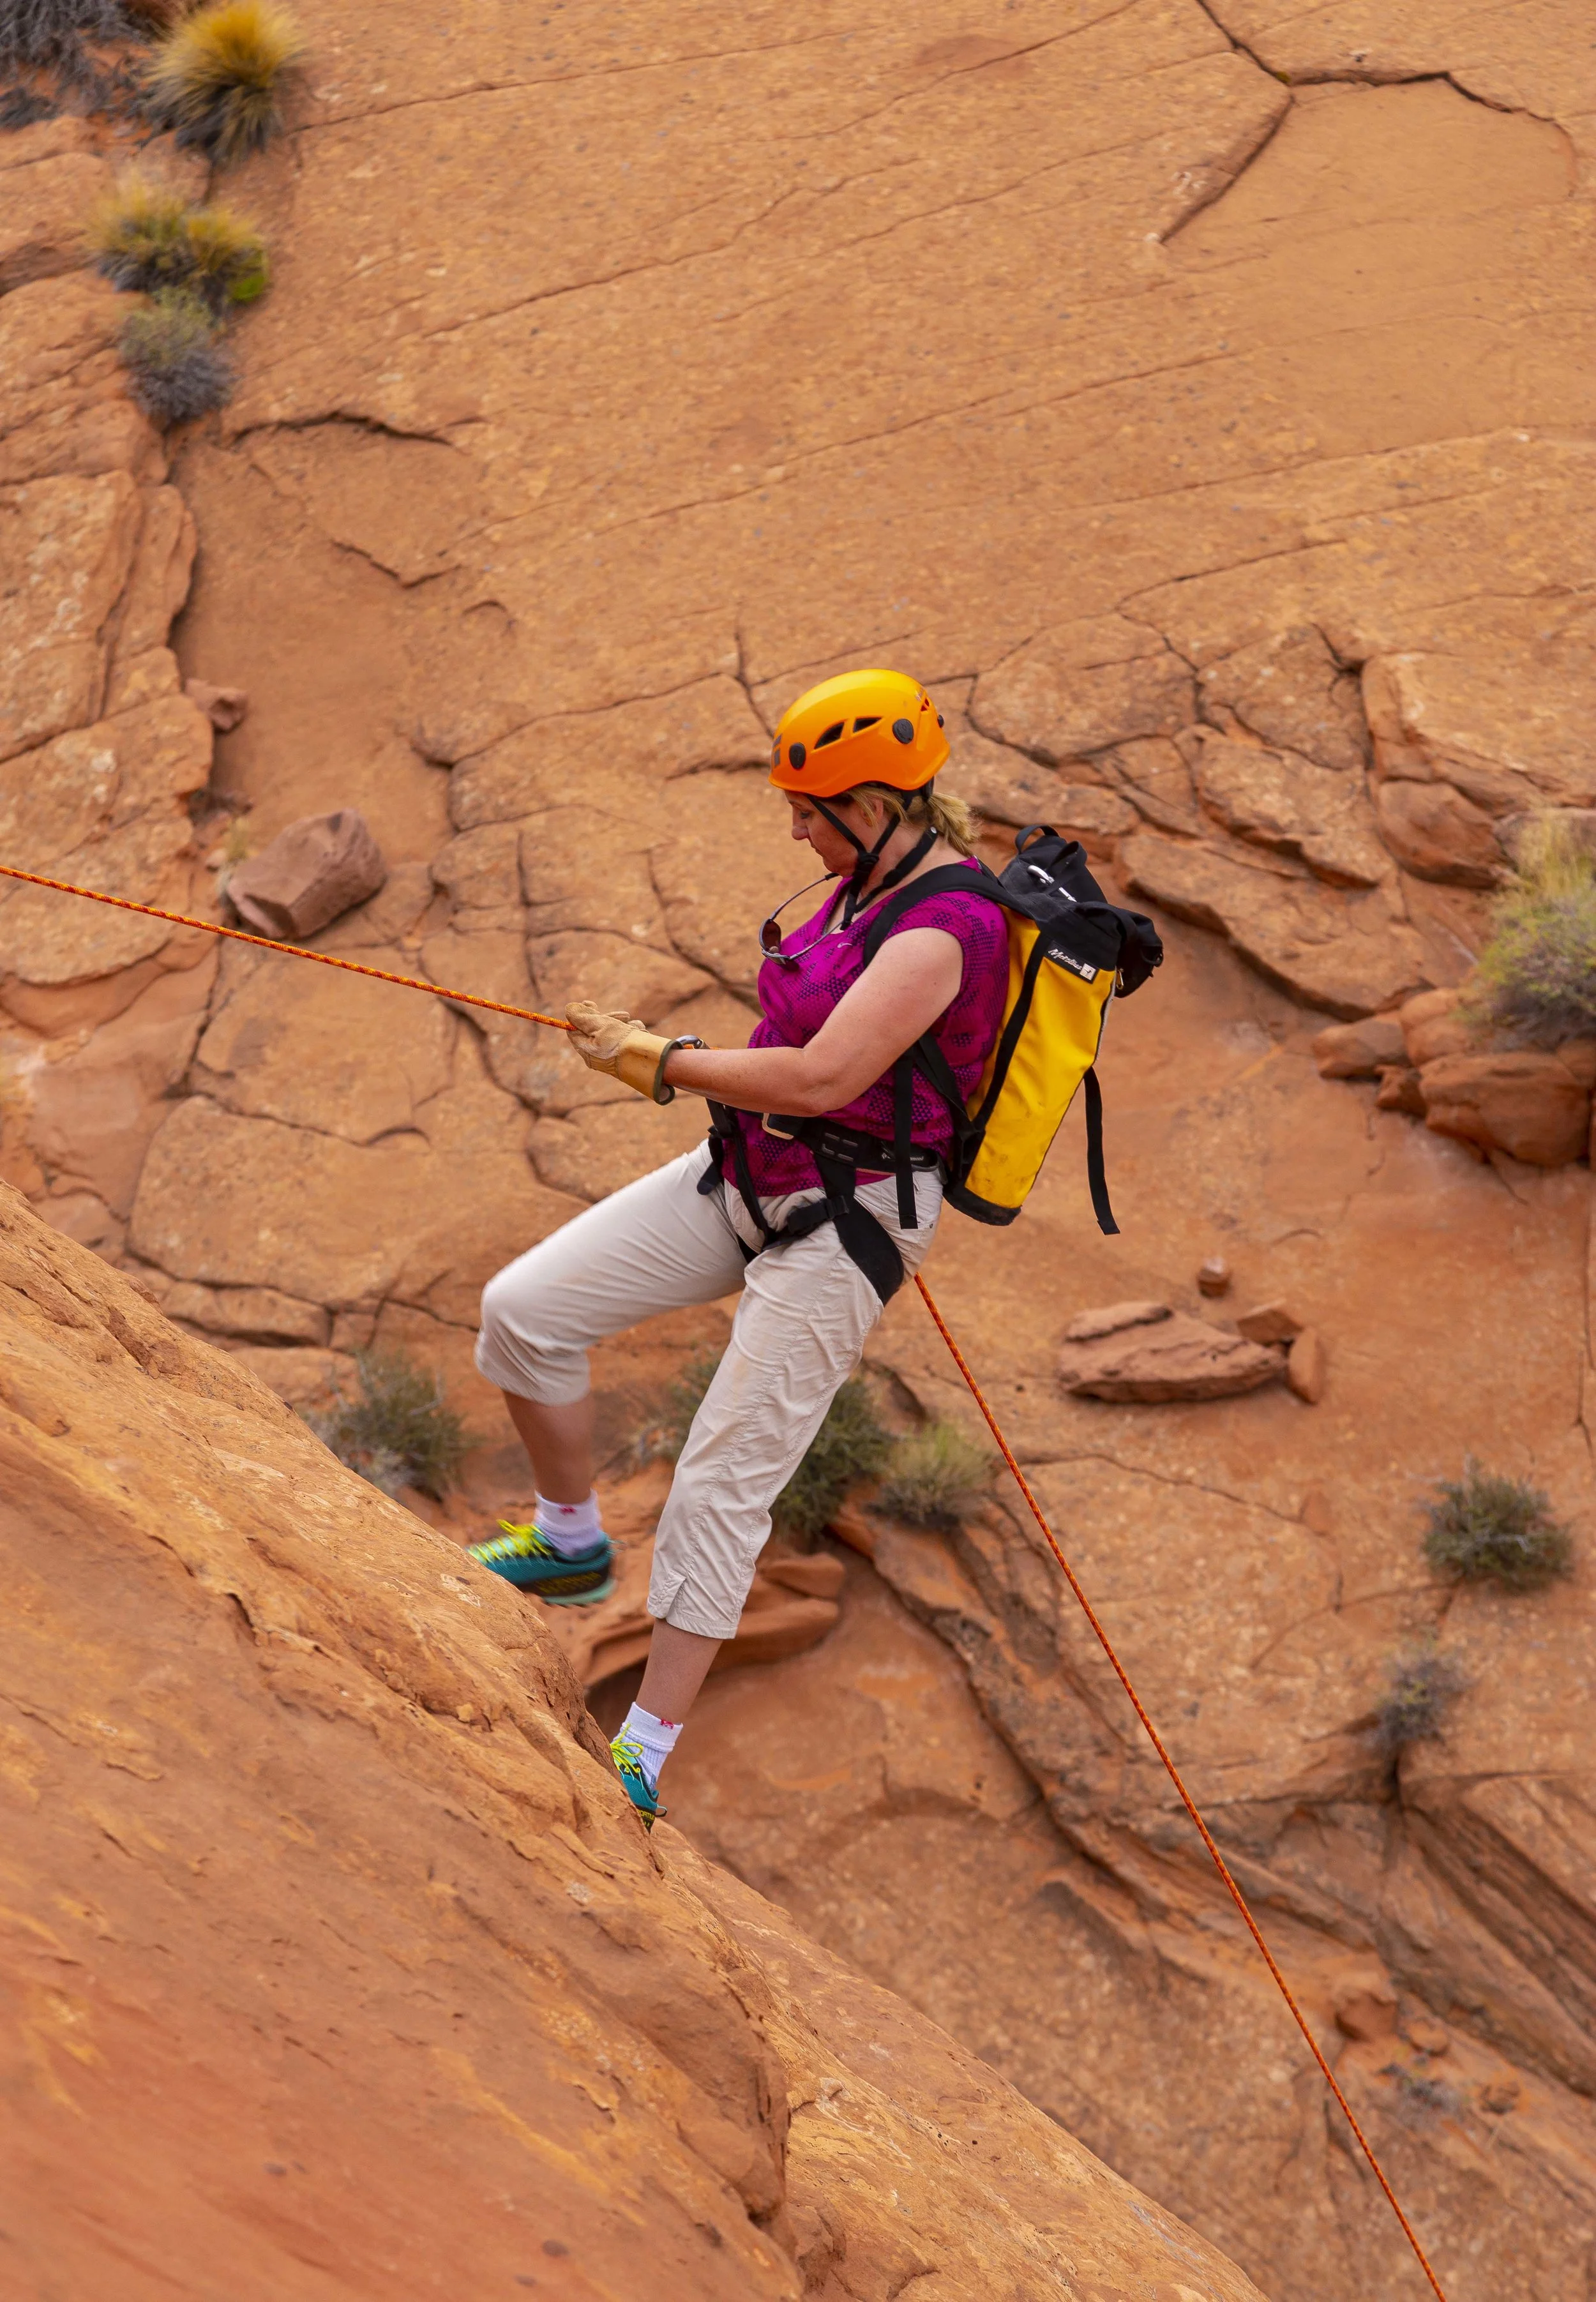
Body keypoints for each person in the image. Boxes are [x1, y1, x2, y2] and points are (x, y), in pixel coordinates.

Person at [466, 668, 1010, 1826]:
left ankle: (643, 1749)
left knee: (722, 1479)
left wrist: (662, 1059)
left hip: (849, 1219)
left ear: (873, 803)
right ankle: (570, 1543)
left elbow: (824, 1076)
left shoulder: (944, 928)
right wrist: (687, 1065)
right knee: (523, 1310)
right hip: (751, 1170)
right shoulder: (859, 884)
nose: (795, 825)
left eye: (812, 807)